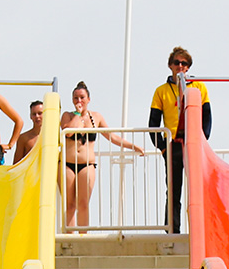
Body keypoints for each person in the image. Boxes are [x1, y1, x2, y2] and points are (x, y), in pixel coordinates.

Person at [61, 81, 144, 228]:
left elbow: (112, 136)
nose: (79, 101)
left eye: (82, 97)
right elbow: (69, 132)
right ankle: (69, 237)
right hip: (67, 164)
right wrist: (78, 115)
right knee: (70, 204)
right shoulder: (67, 116)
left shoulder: (96, 117)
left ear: (88, 99)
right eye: (75, 98)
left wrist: (133, 146)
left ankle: (83, 235)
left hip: (87, 164)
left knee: (83, 203)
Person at [148, 46, 211, 232]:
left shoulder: (199, 87)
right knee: (173, 191)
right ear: (170, 66)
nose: (180, 66)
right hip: (173, 145)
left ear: (188, 67)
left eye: (184, 63)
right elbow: (153, 123)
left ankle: (198, 231)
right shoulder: (161, 91)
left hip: (193, 144)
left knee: (197, 190)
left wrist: (203, 141)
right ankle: (173, 230)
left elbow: (206, 117)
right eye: (177, 63)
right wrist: (162, 147)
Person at [12, 99, 44, 164]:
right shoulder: (23, 138)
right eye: (34, 114)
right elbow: (16, 163)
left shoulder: (54, 136)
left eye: (40, 113)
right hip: (30, 173)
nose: (37, 116)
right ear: (30, 116)